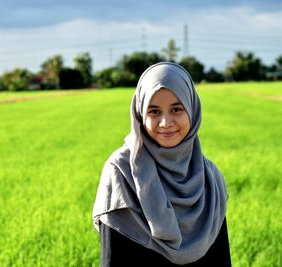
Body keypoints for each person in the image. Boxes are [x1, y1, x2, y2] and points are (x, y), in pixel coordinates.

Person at [92, 62, 231, 266]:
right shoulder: (120, 171)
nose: (165, 122)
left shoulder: (210, 176)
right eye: (154, 111)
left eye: (176, 109)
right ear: (140, 114)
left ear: (192, 110)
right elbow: (112, 259)